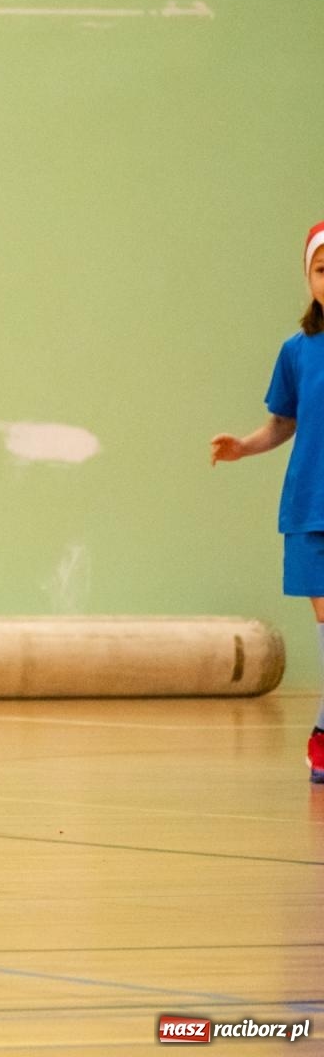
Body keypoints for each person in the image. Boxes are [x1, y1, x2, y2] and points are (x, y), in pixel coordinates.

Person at [211, 221, 324, 785]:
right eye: (323, 268)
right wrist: (244, 447)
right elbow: (283, 422)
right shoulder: (297, 351)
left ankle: (323, 732)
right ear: (309, 277)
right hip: (311, 505)